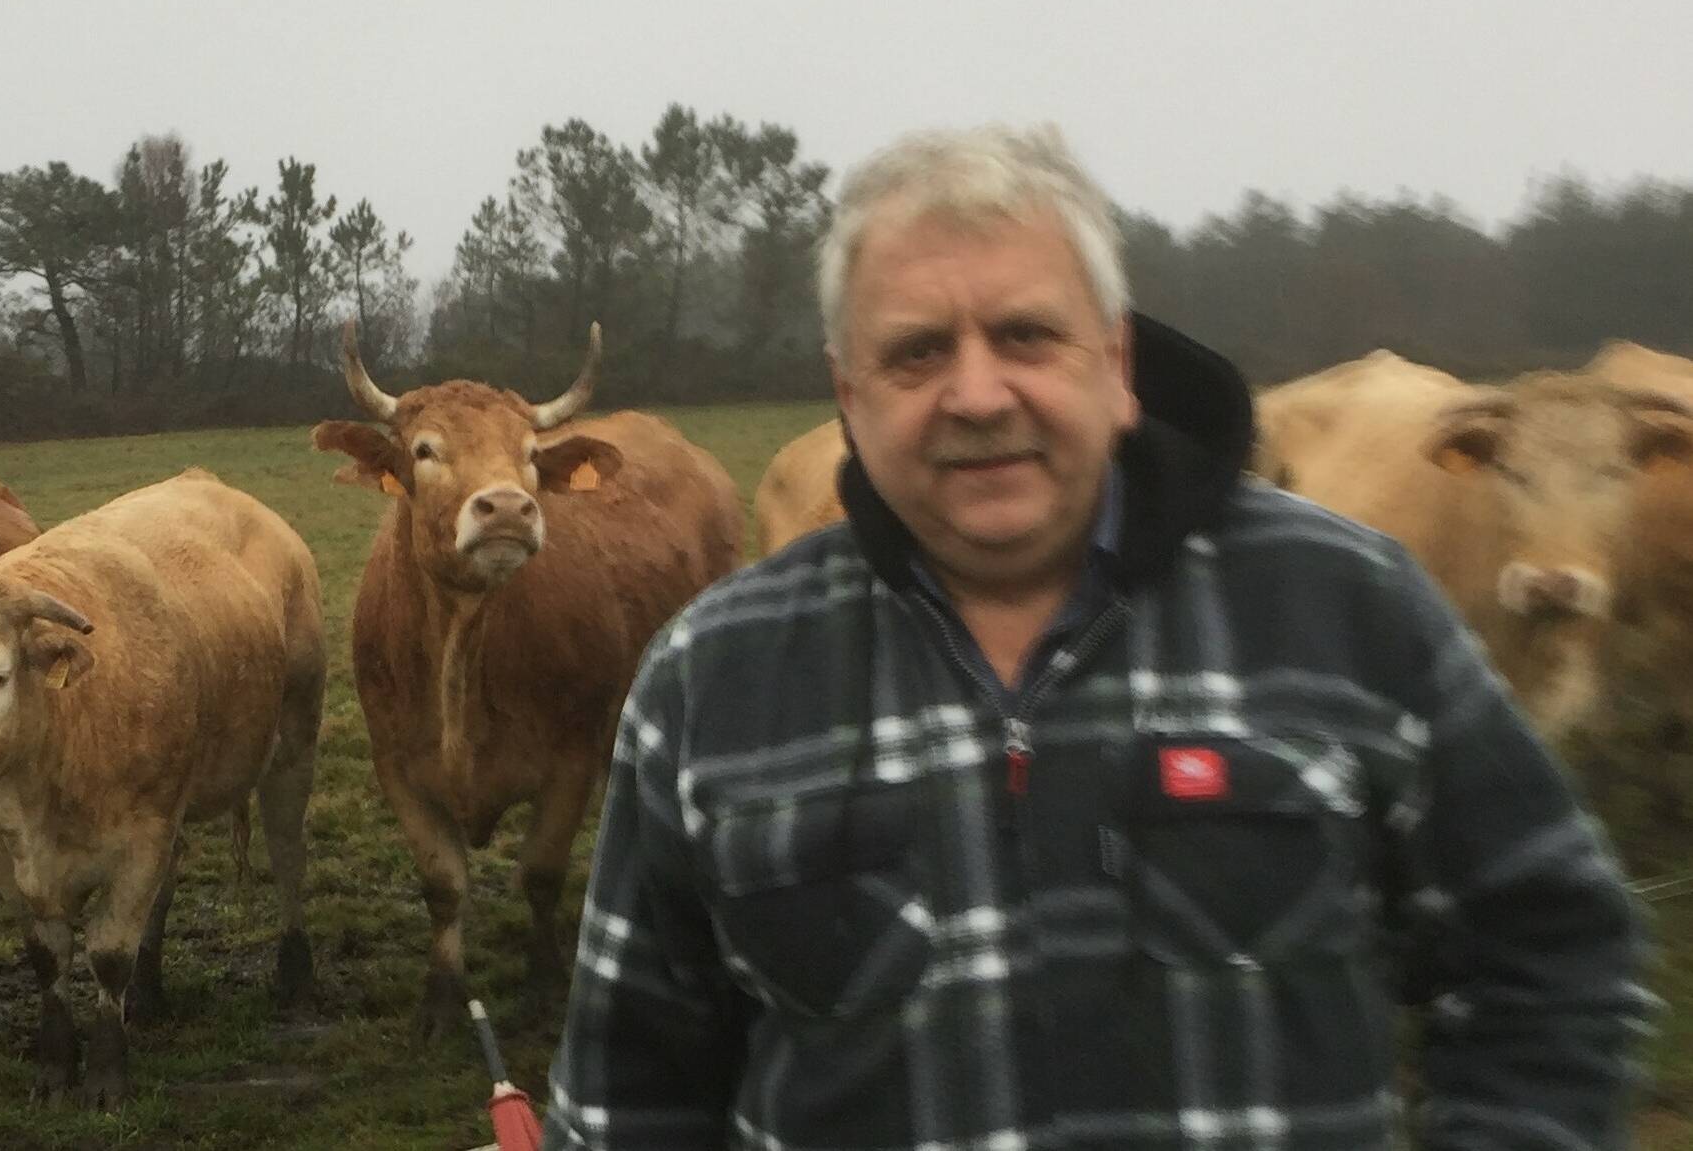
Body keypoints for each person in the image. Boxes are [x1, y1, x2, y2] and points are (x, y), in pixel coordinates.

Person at [540, 123, 1652, 1149]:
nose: (978, 393)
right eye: (917, 352)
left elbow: (1550, 946)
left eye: (1025, 334)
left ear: (1116, 366)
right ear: (849, 393)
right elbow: (628, 1087)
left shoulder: (1344, 604)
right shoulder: (711, 678)